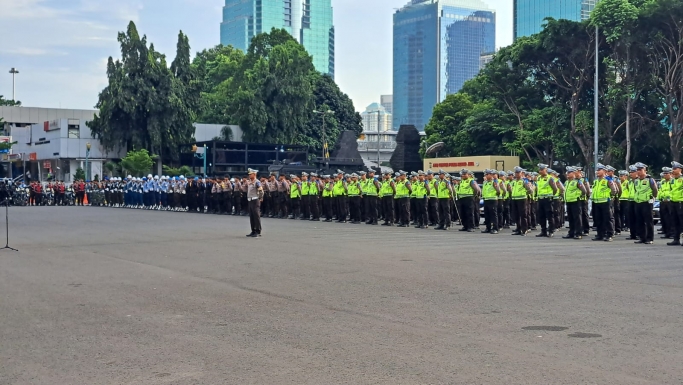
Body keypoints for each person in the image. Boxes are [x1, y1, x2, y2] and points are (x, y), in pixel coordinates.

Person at [632, 162, 658, 244]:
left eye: (640, 170)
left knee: (648, 221)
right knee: (639, 221)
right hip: (638, 202)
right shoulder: (636, 181)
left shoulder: (650, 180)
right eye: (637, 170)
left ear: (645, 170)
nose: (638, 171)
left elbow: (655, 190)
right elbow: (636, 190)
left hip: (646, 203)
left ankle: (649, 238)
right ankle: (642, 237)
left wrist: (652, 198)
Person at [591, 163, 616, 242]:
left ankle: (609, 235)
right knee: (598, 219)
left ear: (604, 171)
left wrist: (610, 197)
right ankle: (600, 234)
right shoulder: (596, 181)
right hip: (596, 202)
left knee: (607, 219)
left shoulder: (608, 180)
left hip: (605, 202)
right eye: (597, 170)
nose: (597, 171)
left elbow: (614, 190)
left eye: (599, 170)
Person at [563, 167, 587, 240]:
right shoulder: (567, 182)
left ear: (573, 173)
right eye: (567, 172)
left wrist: (579, 196)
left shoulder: (577, 181)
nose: (568, 174)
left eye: (569, 173)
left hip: (576, 201)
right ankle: (571, 232)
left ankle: (578, 233)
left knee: (577, 218)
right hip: (568, 201)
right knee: (570, 218)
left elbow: (584, 191)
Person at [535, 164, 558, 237]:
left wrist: (551, 196)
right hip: (540, 199)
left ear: (546, 170)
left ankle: (551, 231)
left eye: (542, 170)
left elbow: (555, 189)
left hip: (547, 199)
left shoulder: (550, 178)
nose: (540, 171)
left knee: (549, 215)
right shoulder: (538, 178)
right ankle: (543, 231)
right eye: (539, 170)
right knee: (541, 216)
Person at [245, 168, 264, 237]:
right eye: (249, 174)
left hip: (255, 200)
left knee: (256, 216)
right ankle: (253, 230)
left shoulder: (257, 182)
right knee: (251, 216)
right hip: (250, 200)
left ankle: (258, 231)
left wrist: (260, 197)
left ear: (254, 174)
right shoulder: (249, 182)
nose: (249, 175)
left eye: (251, 174)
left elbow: (261, 190)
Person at [668, 161, 683, 246]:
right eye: (672, 168)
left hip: (681, 202)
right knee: (675, 221)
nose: (673, 170)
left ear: (680, 169)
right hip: (673, 202)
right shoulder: (672, 180)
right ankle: (676, 239)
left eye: (675, 168)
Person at [481, 169, 501, 234]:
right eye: (485, 174)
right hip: (486, 199)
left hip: (492, 200)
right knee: (487, 215)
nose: (486, 176)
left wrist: (496, 195)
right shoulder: (485, 182)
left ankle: (495, 228)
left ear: (491, 175)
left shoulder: (494, 182)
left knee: (493, 215)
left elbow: (498, 190)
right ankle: (488, 228)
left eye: (487, 174)